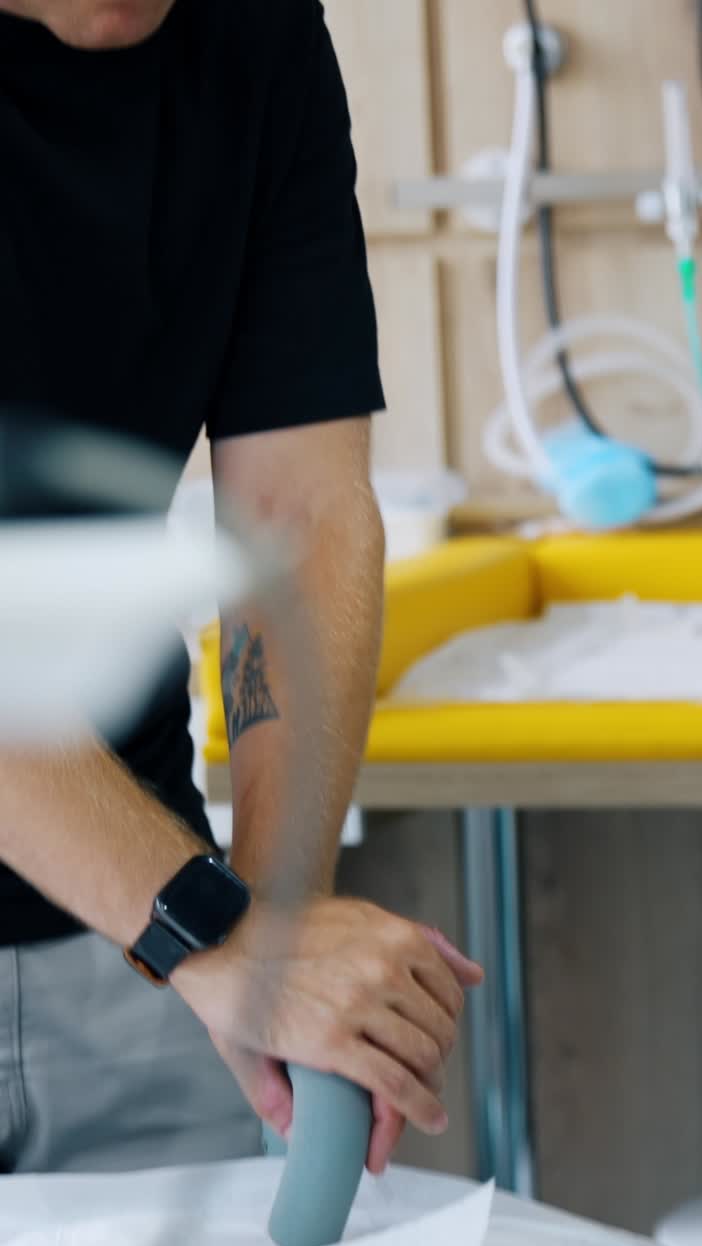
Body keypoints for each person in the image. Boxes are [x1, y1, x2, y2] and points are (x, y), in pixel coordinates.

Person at [0, 0, 482, 1176]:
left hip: (125, 933)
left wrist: (272, 933)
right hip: (159, 911)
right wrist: (211, 933)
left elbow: (299, 514)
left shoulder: (257, 36)